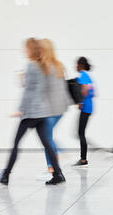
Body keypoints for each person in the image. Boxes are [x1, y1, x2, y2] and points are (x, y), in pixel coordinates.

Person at [0, 38, 65, 185]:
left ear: (30, 50)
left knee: (16, 143)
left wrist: (20, 110)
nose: (24, 50)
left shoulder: (31, 66)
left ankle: (5, 175)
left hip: (31, 113)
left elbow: (28, 92)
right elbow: (39, 89)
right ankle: (58, 174)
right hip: (42, 112)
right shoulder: (44, 66)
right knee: (47, 144)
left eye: (26, 48)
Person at [39, 39, 72, 178]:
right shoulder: (59, 65)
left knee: (47, 139)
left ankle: (52, 169)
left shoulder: (44, 67)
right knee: (48, 137)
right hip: (61, 107)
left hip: (50, 109)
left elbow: (42, 89)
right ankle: (56, 161)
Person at [73, 57, 95, 167]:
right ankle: (83, 158)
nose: (75, 66)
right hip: (89, 107)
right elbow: (94, 92)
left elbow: (85, 89)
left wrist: (80, 101)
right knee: (81, 133)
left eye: (76, 64)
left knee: (81, 133)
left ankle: (83, 159)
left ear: (80, 65)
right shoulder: (88, 76)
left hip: (85, 108)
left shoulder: (82, 75)